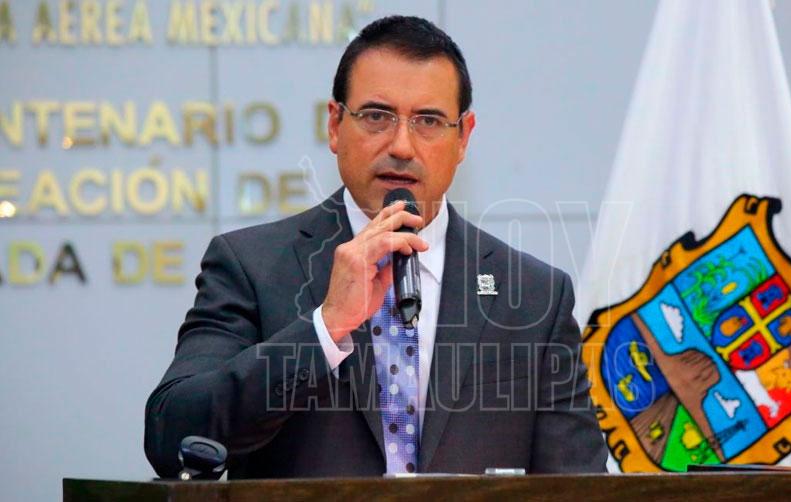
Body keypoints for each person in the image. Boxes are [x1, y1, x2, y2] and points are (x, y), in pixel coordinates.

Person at [144, 15, 607, 478]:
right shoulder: (252, 267)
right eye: (376, 117)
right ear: (334, 125)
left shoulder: (535, 296)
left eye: (428, 121)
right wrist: (324, 328)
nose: (401, 146)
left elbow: (580, 485)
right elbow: (172, 433)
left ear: (463, 137)